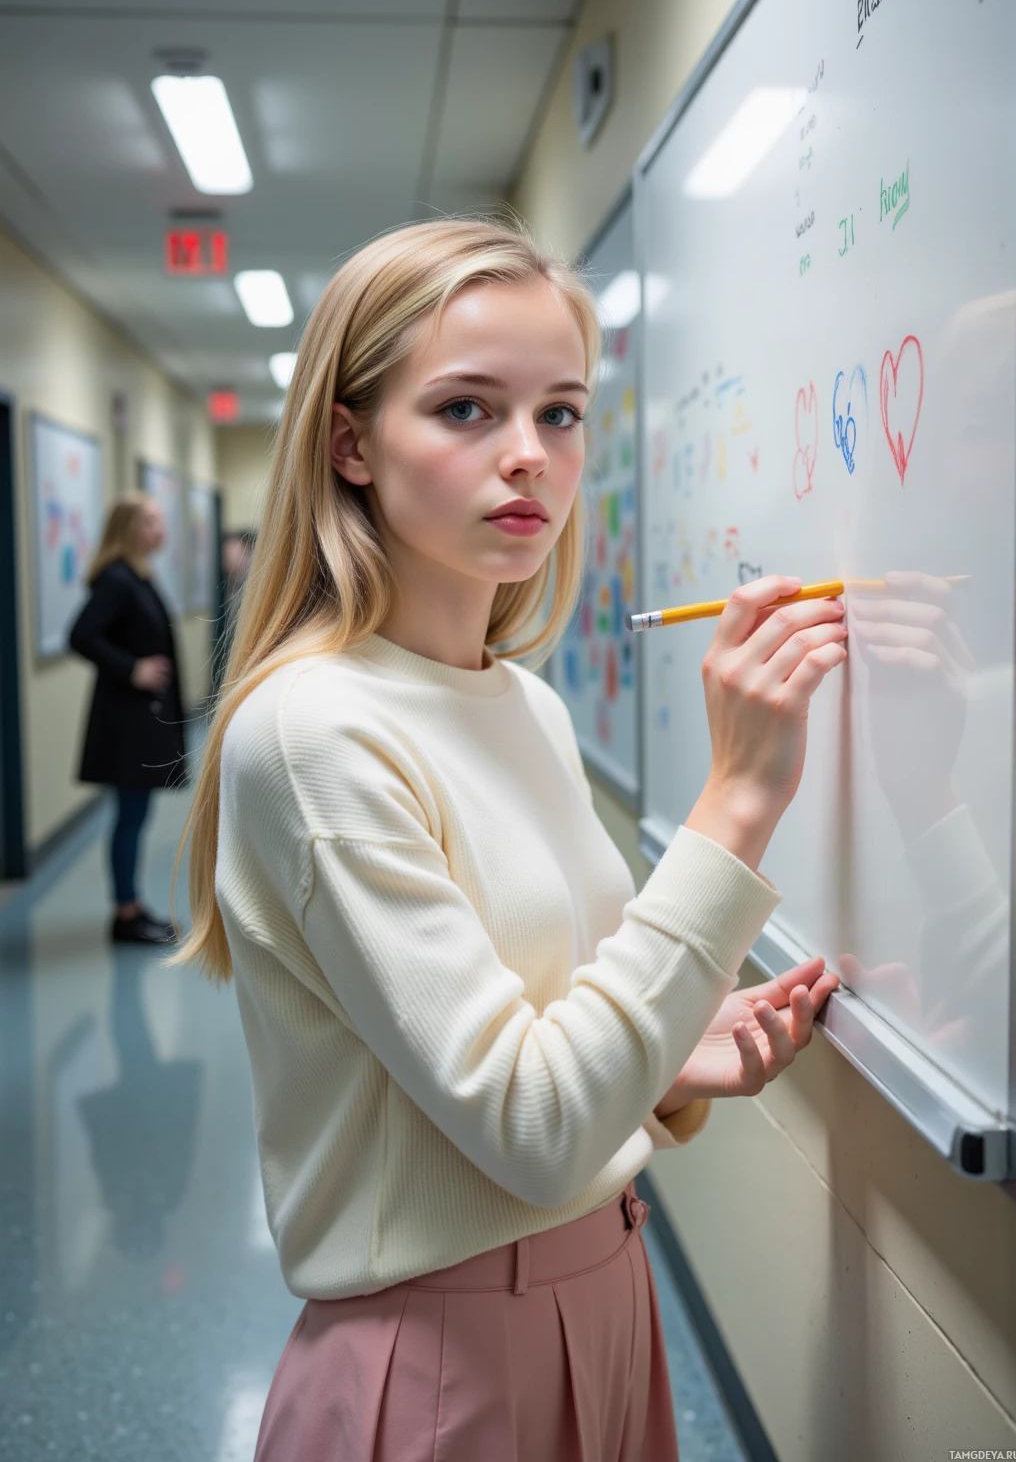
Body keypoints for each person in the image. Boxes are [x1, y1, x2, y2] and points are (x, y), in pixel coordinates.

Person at [170, 218, 844, 1461]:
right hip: (438, 1359)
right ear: (351, 442)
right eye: (468, 410)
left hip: (606, 1292)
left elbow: (536, 1038)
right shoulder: (314, 731)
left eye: (562, 413)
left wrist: (664, 1062)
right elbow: (530, 1129)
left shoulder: (523, 701)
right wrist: (736, 797)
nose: (529, 458)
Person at [69, 491, 186, 946]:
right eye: (153, 521)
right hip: (126, 722)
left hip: (137, 718)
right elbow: (81, 636)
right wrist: (131, 668)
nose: (162, 529)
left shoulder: (138, 576)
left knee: (135, 815)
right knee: (130, 816)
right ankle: (125, 914)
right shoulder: (117, 579)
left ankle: (130, 907)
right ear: (131, 529)